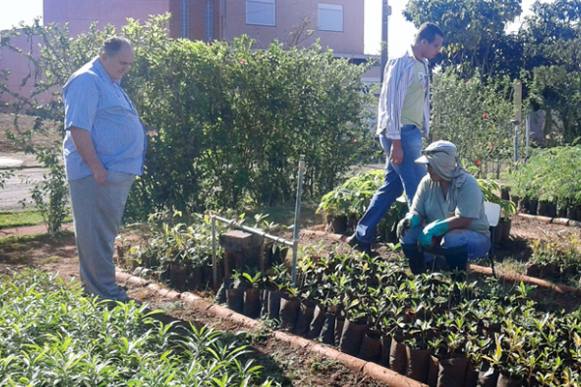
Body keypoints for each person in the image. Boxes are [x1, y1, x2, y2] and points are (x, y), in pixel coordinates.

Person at [347, 23, 444, 253]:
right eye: (436, 45)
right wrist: (396, 142)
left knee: (391, 188)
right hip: (399, 134)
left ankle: (361, 235)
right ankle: (418, 249)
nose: (438, 50)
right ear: (423, 42)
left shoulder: (424, 64)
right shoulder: (401, 62)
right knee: (418, 190)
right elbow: (390, 103)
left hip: (412, 133)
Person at [63, 37, 146, 300]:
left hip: (109, 174)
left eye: (130, 64)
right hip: (96, 175)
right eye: (122, 62)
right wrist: (97, 168)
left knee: (103, 234)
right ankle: (104, 295)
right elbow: (78, 128)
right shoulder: (86, 80)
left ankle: (102, 289)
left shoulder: (108, 81)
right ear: (104, 55)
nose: (126, 68)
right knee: (95, 236)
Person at [397, 140, 491, 274]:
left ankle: (458, 282)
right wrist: (411, 219)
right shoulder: (426, 183)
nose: (427, 169)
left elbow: (464, 219)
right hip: (439, 236)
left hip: (475, 238)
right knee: (408, 232)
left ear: (442, 165)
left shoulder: (467, 184)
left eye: (430, 165)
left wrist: (436, 228)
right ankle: (420, 275)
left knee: (453, 238)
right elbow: (417, 210)